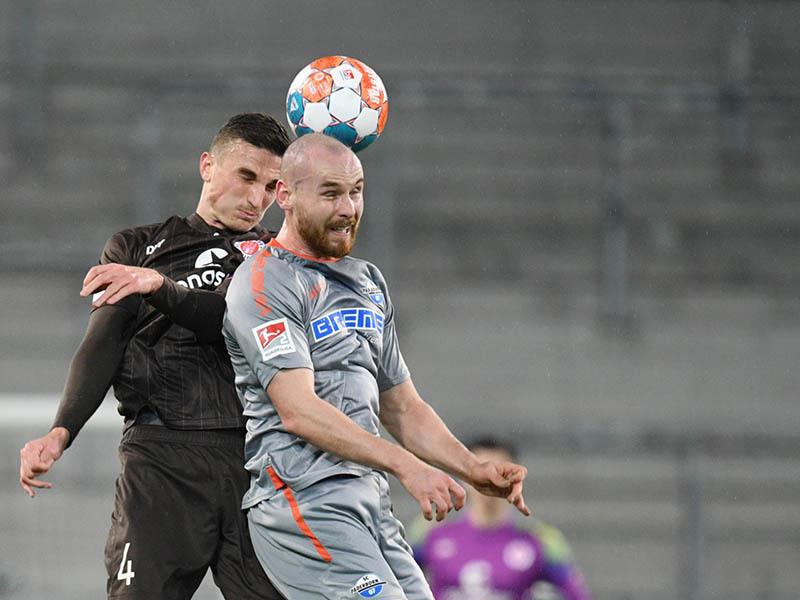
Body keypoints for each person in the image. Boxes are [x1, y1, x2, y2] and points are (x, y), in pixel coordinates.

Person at [221, 133, 531, 600]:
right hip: (303, 501)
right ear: (284, 195)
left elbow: (402, 406)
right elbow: (298, 410)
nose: (348, 208)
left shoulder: (367, 281)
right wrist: (409, 467)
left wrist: (473, 469)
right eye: (330, 193)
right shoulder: (264, 281)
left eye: (356, 190)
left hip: (370, 502)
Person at [18, 113, 291, 600]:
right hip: (162, 462)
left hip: (256, 464)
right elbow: (103, 343)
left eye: (271, 186)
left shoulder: (279, 260)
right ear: (207, 165)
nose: (256, 199)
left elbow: (230, 323)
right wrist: (60, 432)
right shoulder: (135, 247)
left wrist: (160, 289)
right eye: (246, 176)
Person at [411, 437, 592, 600]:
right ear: (463, 478)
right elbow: (394, 578)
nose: (490, 481)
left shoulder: (540, 539)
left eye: (501, 473)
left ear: (516, 480)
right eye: (480, 471)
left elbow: (575, 593)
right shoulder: (431, 532)